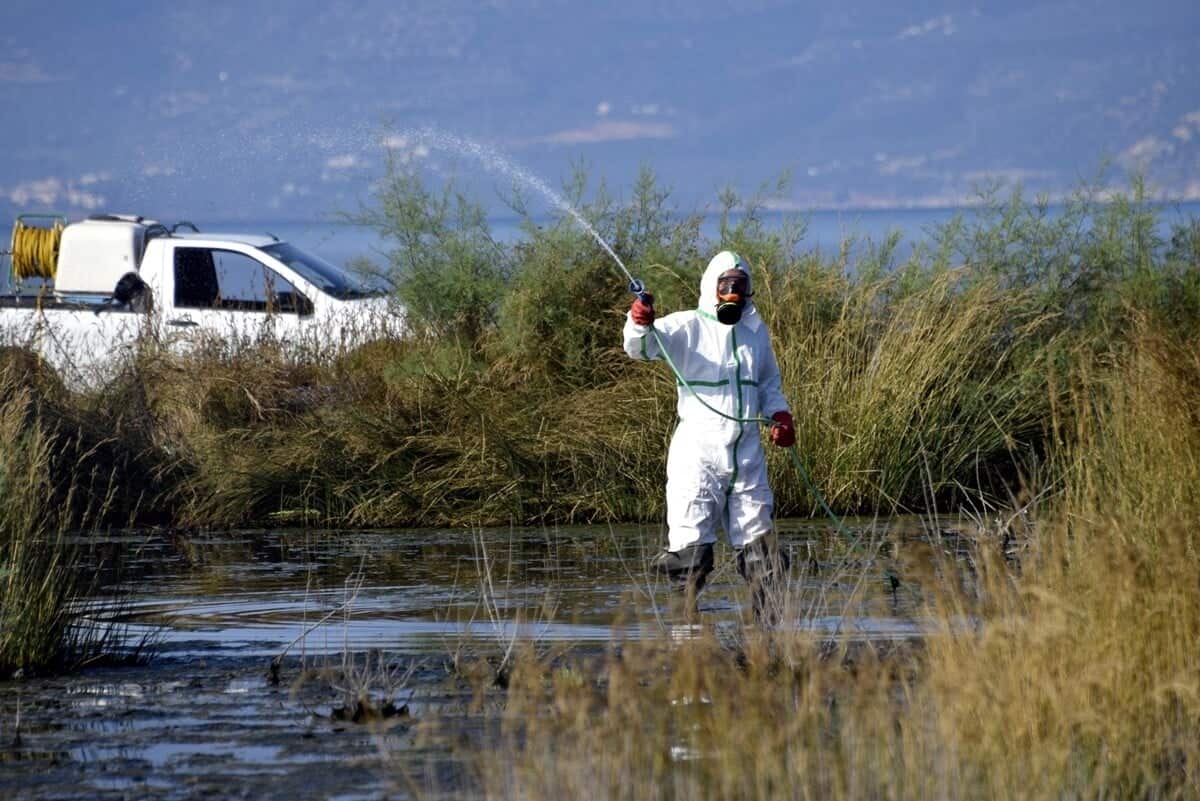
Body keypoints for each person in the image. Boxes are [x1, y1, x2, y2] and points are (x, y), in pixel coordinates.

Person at [623, 250, 794, 622]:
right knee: (690, 554)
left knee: (762, 552)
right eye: (726, 284)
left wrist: (780, 415)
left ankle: (768, 634)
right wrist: (639, 322)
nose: (732, 292)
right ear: (711, 287)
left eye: (740, 285)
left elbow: (768, 382)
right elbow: (642, 347)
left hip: (747, 455)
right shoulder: (687, 327)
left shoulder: (754, 332)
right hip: (698, 455)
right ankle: (685, 636)